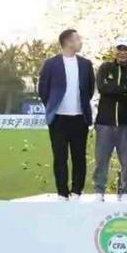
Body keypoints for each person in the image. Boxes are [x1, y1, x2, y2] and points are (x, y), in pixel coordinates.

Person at [38, 29, 95, 201]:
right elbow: (43, 89)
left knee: (79, 157)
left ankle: (77, 191)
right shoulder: (51, 64)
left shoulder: (86, 64)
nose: (80, 42)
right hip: (58, 119)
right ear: (68, 42)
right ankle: (62, 193)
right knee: (60, 158)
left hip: (79, 118)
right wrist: (53, 107)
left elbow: (89, 90)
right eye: (77, 39)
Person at [94, 37, 127, 201]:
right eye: (120, 49)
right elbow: (103, 88)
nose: (122, 53)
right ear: (115, 51)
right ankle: (99, 191)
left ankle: (126, 192)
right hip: (105, 123)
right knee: (101, 160)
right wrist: (125, 89)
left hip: (126, 124)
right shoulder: (105, 67)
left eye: (126, 49)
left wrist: (118, 90)